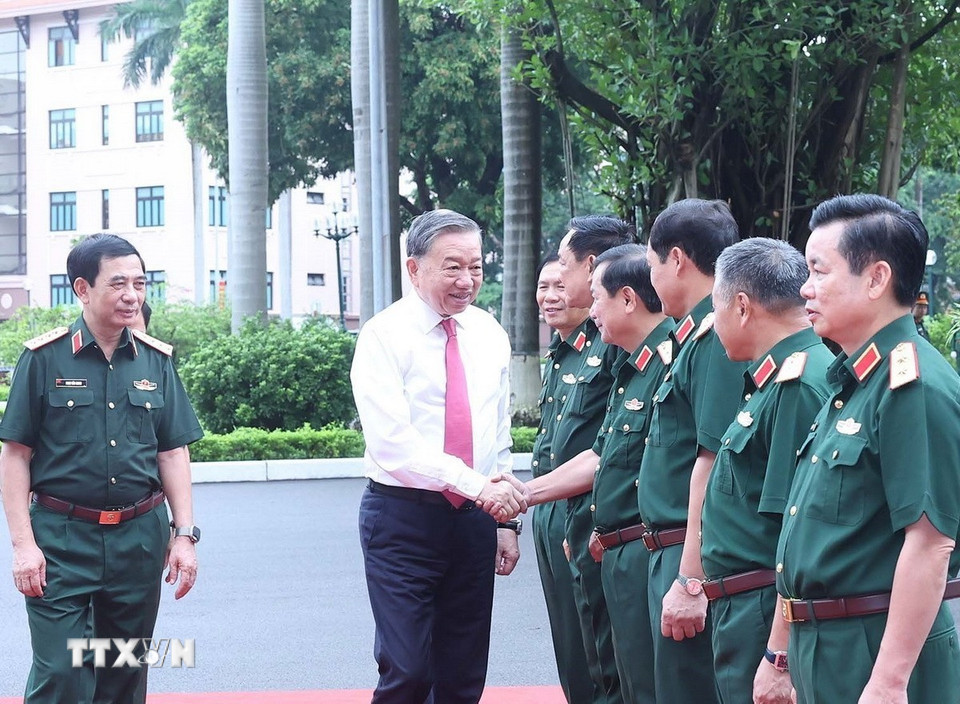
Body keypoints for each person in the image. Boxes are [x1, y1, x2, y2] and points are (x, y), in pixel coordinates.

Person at [0, 234, 203, 704]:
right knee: (62, 674)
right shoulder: (43, 358)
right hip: (62, 540)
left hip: (138, 541)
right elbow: (15, 454)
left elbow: (172, 452)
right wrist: (23, 546)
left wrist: (184, 535)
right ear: (82, 289)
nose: (132, 295)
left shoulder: (156, 360)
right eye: (118, 284)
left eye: (140, 283)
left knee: (123, 673)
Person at [776, 194, 960, 703]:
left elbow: (931, 543)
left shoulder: (911, 385)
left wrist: (888, 683)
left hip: (873, 649)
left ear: (876, 279)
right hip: (828, 646)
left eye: (819, 271)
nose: (805, 289)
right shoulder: (856, 382)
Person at [351, 209, 525, 704]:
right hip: (402, 518)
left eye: (476, 266)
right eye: (452, 267)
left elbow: (498, 433)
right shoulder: (384, 336)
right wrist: (479, 488)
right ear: (414, 269)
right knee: (407, 669)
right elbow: (392, 445)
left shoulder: (489, 332)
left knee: (462, 674)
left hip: (473, 518)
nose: (467, 280)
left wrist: (503, 522)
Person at [501, 243, 670, 703]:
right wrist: (526, 497)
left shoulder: (659, 358)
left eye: (568, 276)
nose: (557, 293)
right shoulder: (621, 359)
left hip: (637, 539)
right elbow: (602, 449)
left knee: (622, 672)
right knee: (585, 658)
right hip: (585, 521)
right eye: (544, 285)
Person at [700, 238, 834, 704]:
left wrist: (778, 654)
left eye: (714, 307)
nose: (713, 324)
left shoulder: (798, 383)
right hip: (743, 606)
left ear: (740, 306)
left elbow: (792, 535)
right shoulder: (776, 377)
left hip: (763, 609)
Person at [637, 198, 746, 703]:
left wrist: (690, 579)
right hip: (669, 549)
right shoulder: (690, 337)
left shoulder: (713, 340)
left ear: (676, 259)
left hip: (690, 553)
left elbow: (712, 461)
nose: (652, 278)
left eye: (653, 264)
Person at [529, 254, 597, 704]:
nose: (551, 296)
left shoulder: (604, 347)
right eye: (543, 286)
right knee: (567, 643)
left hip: (582, 509)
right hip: (547, 510)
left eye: (560, 284)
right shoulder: (558, 353)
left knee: (593, 644)